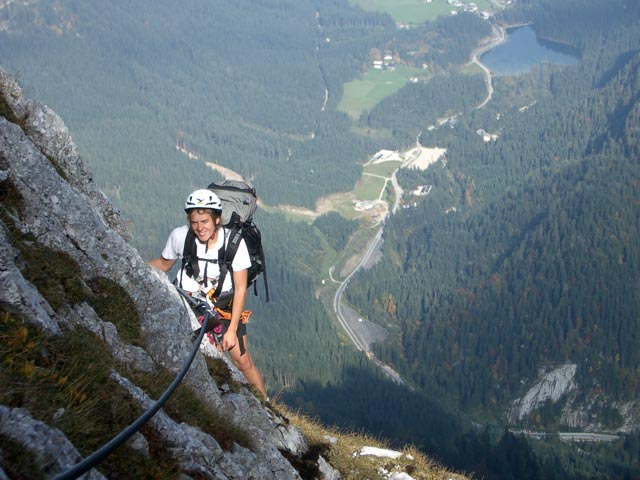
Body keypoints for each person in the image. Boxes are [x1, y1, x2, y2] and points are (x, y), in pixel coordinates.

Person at [149, 189, 267, 399]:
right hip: (188, 302)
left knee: (242, 361)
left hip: (224, 306)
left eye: (205, 221)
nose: (200, 227)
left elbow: (240, 289)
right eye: (195, 222)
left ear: (217, 219)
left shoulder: (233, 243)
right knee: (201, 356)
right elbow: (163, 264)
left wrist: (231, 331)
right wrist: (129, 262)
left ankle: (267, 405)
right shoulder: (180, 237)